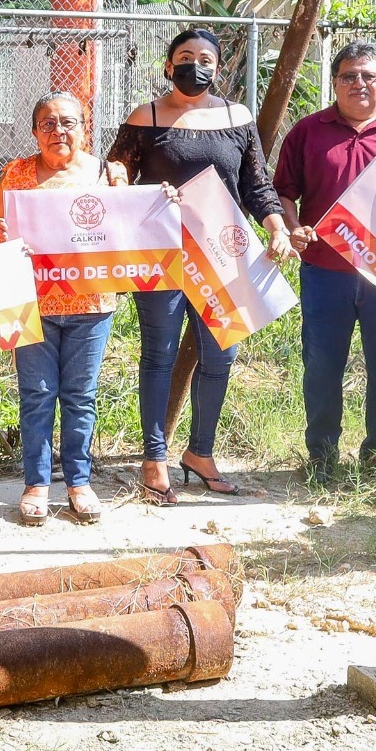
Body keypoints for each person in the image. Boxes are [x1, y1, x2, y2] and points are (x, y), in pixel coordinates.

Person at [106, 28, 293, 504]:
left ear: (218, 67)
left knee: (221, 356)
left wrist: (276, 226)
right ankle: (153, 458)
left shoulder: (237, 117)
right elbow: (117, 180)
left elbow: (255, 185)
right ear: (168, 67)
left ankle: (200, 453)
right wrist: (129, 183)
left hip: (221, 256)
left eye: (204, 58)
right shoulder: (145, 117)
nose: (195, 65)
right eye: (184, 57)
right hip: (163, 254)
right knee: (159, 355)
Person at [275, 41, 376, 482]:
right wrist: (292, 226)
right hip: (325, 271)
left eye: (367, 75)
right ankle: (322, 458)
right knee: (322, 364)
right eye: (348, 76)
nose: (358, 83)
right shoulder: (308, 131)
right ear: (335, 83)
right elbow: (283, 190)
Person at [0, 92, 129, 526]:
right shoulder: (15, 173)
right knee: (37, 395)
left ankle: (78, 482)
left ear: (85, 129)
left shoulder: (107, 175)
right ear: (34, 131)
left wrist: (160, 199)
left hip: (92, 304)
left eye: (68, 123)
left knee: (80, 396)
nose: (58, 132)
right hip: (33, 306)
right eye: (48, 124)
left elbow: (129, 224)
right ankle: (36, 484)